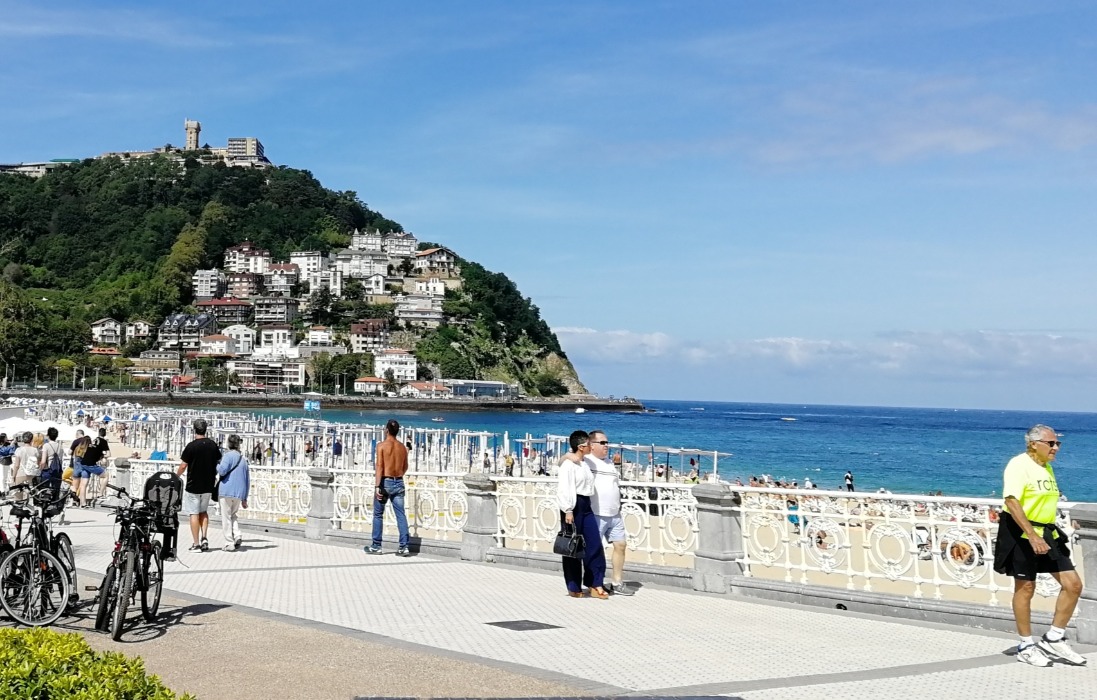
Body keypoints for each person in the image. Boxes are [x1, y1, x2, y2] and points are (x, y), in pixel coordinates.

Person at [993, 424, 1086, 667]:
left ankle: (1053, 638)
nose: (1056, 448)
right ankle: (1025, 645)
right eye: (1051, 443)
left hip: (1047, 532)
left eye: (1058, 443)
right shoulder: (1018, 464)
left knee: (1073, 585)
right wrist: (1032, 535)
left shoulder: (1047, 467)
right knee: (1026, 587)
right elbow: (1011, 501)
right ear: (1033, 444)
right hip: (1020, 532)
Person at [557, 430, 608, 599]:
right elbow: (564, 487)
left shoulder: (585, 462)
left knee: (594, 544)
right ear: (580, 447)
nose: (590, 447)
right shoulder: (569, 464)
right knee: (573, 545)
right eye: (588, 444)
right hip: (573, 505)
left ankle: (595, 583)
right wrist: (568, 510)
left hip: (587, 505)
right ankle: (573, 585)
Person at [585, 429, 633, 596]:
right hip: (596, 513)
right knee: (594, 550)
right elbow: (565, 461)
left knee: (621, 545)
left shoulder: (609, 463)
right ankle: (593, 582)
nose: (606, 446)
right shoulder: (587, 461)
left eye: (607, 442)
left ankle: (617, 582)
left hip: (615, 513)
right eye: (602, 443)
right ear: (591, 445)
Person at [365, 419, 410, 556]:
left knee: (378, 514)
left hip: (385, 481)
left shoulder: (381, 446)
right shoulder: (402, 448)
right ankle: (404, 546)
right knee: (400, 515)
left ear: (386, 430)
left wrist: (377, 486)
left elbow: (379, 466)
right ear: (397, 431)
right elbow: (405, 467)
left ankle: (376, 545)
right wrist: (398, 476)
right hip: (399, 481)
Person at [176, 418, 221, 552]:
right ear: (206, 430)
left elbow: (183, 465)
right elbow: (218, 460)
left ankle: (196, 544)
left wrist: (176, 476)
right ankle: (204, 538)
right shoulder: (212, 445)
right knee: (203, 512)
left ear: (194, 430)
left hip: (193, 485)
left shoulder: (191, 446)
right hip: (208, 484)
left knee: (194, 513)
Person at [215, 434, 250, 552]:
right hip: (239, 492)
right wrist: (245, 498)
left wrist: (216, 464)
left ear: (228, 444)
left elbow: (222, 471)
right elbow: (247, 480)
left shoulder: (227, 456)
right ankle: (237, 534)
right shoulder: (243, 460)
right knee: (233, 515)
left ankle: (229, 542)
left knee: (226, 517)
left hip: (226, 490)